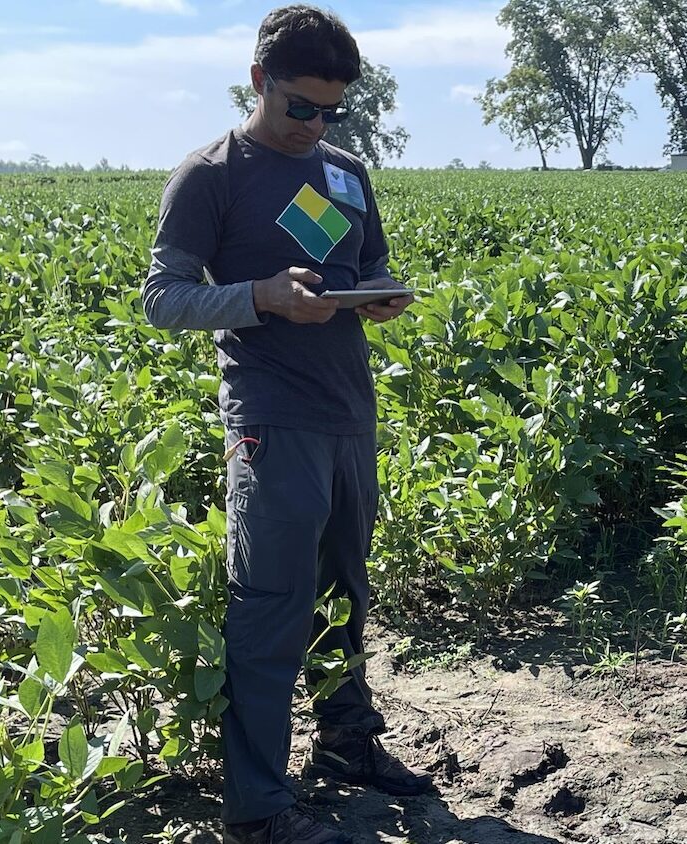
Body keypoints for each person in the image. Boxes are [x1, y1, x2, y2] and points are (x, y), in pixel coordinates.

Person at [142, 6, 428, 843]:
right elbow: (163, 297)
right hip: (270, 420)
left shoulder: (344, 172)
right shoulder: (211, 176)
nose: (315, 125)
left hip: (348, 411)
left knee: (346, 593)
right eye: (300, 105)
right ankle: (259, 808)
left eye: (331, 110)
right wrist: (260, 298)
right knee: (272, 607)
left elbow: (363, 264)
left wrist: (376, 296)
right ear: (259, 80)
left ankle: (346, 745)